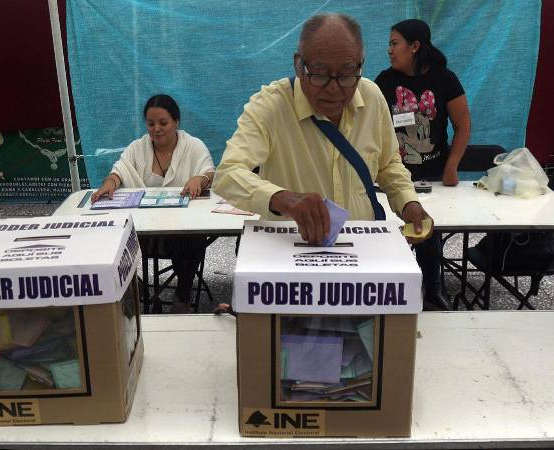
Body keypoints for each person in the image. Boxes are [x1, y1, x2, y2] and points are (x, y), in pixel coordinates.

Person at [213, 13, 431, 250]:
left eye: (347, 74)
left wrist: (407, 201)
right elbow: (228, 174)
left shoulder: (372, 97)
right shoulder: (270, 106)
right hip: (291, 251)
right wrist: (282, 199)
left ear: (361, 65)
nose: (334, 89)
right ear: (299, 65)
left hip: (361, 249)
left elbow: (388, 164)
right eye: (320, 74)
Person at [375, 19, 471, 310]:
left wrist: (452, 166)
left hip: (433, 176)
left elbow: (463, 125)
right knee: (390, 233)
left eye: (395, 43)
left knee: (428, 234)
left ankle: (432, 290)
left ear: (415, 46)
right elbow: (370, 126)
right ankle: (389, 290)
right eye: (390, 44)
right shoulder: (384, 82)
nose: (390, 50)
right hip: (393, 177)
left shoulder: (445, 79)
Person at [92, 94, 215, 313]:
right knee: (111, 239)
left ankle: (182, 297)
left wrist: (200, 179)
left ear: (176, 122)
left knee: (192, 241)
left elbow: (208, 172)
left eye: (163, 123)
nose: (156, 129)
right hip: (144, 231)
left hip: (181, 230)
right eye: (151, 124)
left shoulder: (193, 146)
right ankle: (138, 290)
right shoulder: (138, 147)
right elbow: (120, 170)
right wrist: (109, 183)